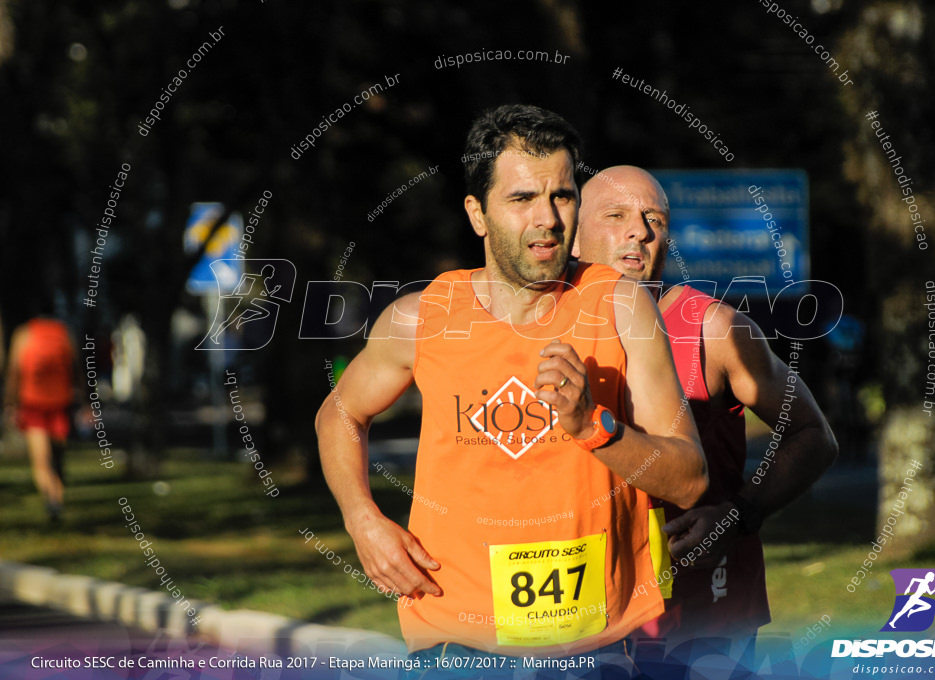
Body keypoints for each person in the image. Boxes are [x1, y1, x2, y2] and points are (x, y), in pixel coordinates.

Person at [315, 106, 708, 667]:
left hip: (592, 651)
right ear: (477, 214)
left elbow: (690, 481)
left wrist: (594, 428)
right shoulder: (421, 318)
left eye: (563, 196)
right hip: (455, 646)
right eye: (522, 199)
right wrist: (362, 521)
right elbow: (339, 413)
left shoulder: (621, 307)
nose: (547, 219)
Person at [574, 166, 839, 662]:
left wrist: (738, 514)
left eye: (654, 218)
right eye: (616, 215)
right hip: (586, 611)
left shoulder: (713, 329)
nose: (639, 230)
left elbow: (813, 434)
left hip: (704, 617)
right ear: (572, 237)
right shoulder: (541, 334)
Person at [3, 309, 79, 521]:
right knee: (57, 456)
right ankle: (58, 493)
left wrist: (10, 402)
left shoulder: (23, 334)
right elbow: (77, 368)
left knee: (40, 463)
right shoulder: (64, 333)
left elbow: (14, 370)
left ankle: (52, 500)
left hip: (33, 404)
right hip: (60, 403)